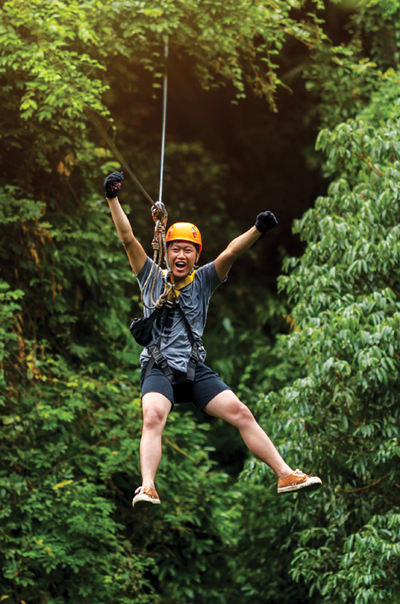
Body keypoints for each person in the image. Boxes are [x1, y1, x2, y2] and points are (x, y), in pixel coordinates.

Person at [104, 171, 322, 507]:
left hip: (192, 371)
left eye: (187, 250)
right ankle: (147, 486)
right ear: (166, 248)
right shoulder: (150, 276)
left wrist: (258, 230)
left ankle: (285, 474)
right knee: (152, 417)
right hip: (159, 368)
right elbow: (127, 238)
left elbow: (230, 253)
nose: (180, 255)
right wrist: (112, 198)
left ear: (195, 255)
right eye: (175, 248)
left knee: (241, 413)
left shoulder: (204, 280)